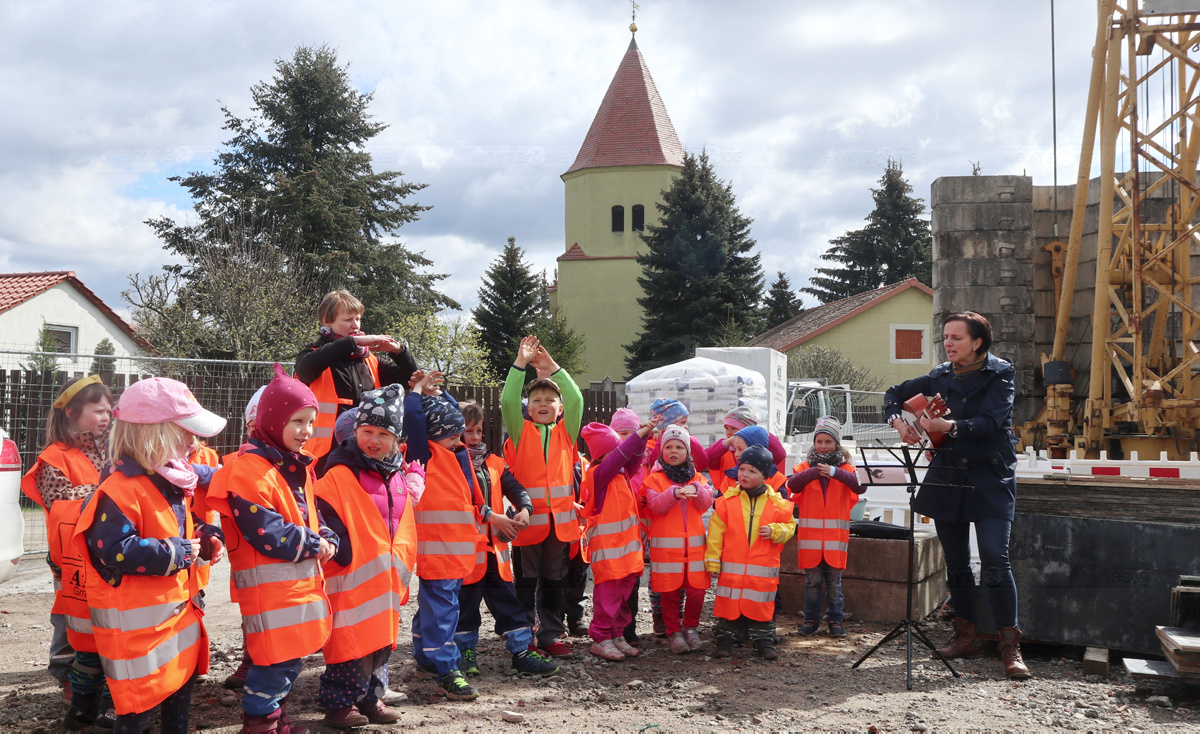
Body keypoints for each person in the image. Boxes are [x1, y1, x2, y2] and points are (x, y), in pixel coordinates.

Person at [74, 377, 227, 733]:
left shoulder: (169, 481)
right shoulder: (121, 489)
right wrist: (178, 552)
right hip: (136, 636)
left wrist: (205, 536)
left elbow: (182, 526)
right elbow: (114, 551)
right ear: (151, 435)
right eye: (184, 432)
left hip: (171, 626)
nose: (193, 441)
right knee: (136, 710)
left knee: (179, 688)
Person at [884, 311, 1029, 680]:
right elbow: (893, 395)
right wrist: (897, 421)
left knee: (996, 559)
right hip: (948, 474)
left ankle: (1009, 646)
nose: (948, 343)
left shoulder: (1001, 373)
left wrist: (950, 426)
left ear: (977, 342)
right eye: (946, 337)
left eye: (956, 338)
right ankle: (965, 637)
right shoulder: (939, 375)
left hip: (990, 475)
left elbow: (991, 422)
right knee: (957, 561)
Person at [205, 364, 338, 732]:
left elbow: (308, 515)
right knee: (273, 662)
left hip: (293, 589)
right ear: (273, 419)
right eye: (297, 421)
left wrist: (327, 534)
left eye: (311, 422)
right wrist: (317, 543)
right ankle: (260, 721)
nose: (307, 431)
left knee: (287, 660)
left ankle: (273, 716)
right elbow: (266, 531)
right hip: (270, 592)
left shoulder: (291, 468)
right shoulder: (249, 470)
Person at [313, 383, 422, 728]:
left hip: (385, 583)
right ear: (355, 431)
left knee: (379, 646)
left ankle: (370, 698)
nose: (373, 440)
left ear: (396, 439)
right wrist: (343, 552)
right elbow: (323, 514)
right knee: (348, 647)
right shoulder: (339, 474)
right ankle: (338, 705)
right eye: (366, 431)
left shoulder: (397, 477)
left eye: (383, 433)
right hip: (351, 581)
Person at [20, 375, 114, 725]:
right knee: (69, 618)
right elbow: (59, 500)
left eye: (109, 411)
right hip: (69, 558)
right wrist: (107, 489)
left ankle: (98, 681)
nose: (106, 417)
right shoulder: (54, 456)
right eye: (97, 410)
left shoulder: (112, 449)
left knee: (101, 621)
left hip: (104, 554)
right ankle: (66, 678)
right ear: (72, 412)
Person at [454, 401, 561, 677]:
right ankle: (465, 652)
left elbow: (516, 489)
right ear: (457, 432)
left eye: (478, 431)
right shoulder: (452, 463)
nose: (475, 437)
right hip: (466, 553)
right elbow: (463, 501)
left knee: (509, 604)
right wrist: (496, 518)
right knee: (465, 607)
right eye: (468, 431)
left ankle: (522, 652)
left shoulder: (494, 463)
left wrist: (525, 509)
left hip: (495, 553)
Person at [403, 371, 485, 701]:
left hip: (453, 549)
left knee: (434, 606)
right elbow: (414, 419)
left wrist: (442, 392)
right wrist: (417, 392)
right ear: (435, 436)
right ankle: (446, 668)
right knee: (443, 609)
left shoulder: (456, 453)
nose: (459, 439)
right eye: (452, 435)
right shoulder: (423, 455)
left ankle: (426, 658)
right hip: (437, 550)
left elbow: (452, 417)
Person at [501, 336, 584, 658]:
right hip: (528, 524)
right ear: (529, 408)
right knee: (525, 581)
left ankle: (551, 633)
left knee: (554, 581)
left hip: (560, 526)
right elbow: (508, 401)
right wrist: (520, 365)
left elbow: (576, 398)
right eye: (536, 400)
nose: (543, 404)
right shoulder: (521, 433)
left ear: (560, 409)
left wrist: (554, 370)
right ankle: (524, 635)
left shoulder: (567, 433)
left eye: (550, 399)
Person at [295, 289, 420, 470]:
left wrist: (398, 351)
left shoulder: (370, 360)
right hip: (322, 457)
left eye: (358, 319)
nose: (355, 325)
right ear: (326, 321)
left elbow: (411, 378)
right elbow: (306, 370)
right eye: (348, 319)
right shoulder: (312, 356)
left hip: (366, 452)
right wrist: (354, 343)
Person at [579, 416, 658, 661]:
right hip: (608, 552)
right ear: (604, 453)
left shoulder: (620, 473)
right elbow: (621, 456)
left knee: (622, 596)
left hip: (625, 551)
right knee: (608, 596)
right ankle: (601, 638)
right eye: (614, 448)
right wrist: (638, 434)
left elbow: (633, 458)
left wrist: (643, 437)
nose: (620, 453)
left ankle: (615, 634)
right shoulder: (599, 473)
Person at [705, 445, 796, 660]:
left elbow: (790, 528)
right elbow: (715, 535)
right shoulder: (726, 503)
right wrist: (712, 561)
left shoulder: (778, 505)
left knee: (762, 608)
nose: (745, 474)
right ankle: (724, 641)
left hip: (762, 573)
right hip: (732, 572)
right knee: (727, 608)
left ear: (765, 476)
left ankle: (764, 642)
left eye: (752, 471)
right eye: (742, 469)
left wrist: (775, 531)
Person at [786, 417, 862, 638]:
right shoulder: (803, 468)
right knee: (812, 583)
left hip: (835, 540)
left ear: (837, 443)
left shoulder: (847, 469)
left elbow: (861, 486)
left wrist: (835, 472)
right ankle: (811, 620)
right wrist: (816, 471)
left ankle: (835, 621)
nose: (823, 446)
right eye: (819, 441)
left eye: (828, 441)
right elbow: (792, 484)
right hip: (811, 540)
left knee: (834, 584)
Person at [642, 425, 713, 654]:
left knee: (697, 592)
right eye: (669, 447)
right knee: (669, 593)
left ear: (688, 452)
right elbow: (655, 505)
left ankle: (691, 628)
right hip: (666, 550)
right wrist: (674, 493)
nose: (674, 451)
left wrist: (695, 489)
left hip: (694, 550)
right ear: (662, 451)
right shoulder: (654, 480)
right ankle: (673, 632)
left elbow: (706, 503)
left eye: (679, 447)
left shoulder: (698, 478)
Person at [705, 407, 787, 494]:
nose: (728, 432)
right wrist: (726, 443)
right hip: (728, 499)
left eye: (734, 428)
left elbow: (780, 455)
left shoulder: (761, 454)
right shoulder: (722, 451)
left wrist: (758, 432)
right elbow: (705, 460)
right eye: (726, 428)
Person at [719, 425, 788, 495]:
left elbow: (783, 504)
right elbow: (719, 503)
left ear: (756, 448)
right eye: (735, 449)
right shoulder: (730, 477)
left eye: (740, 449)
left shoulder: (776, 479)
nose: (736, 454)